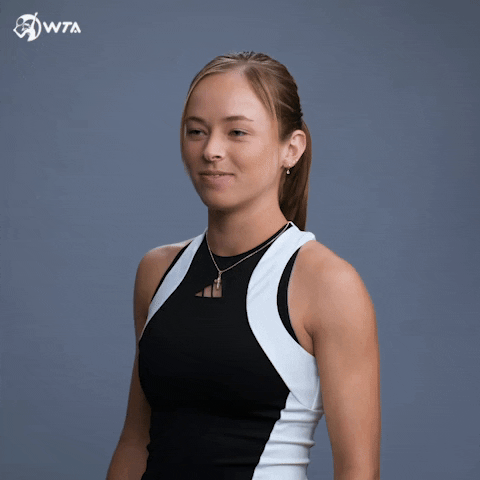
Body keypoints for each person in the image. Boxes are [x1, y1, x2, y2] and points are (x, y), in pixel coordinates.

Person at [106, 51, 381, 480]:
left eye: (237, 132)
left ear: (291, 148)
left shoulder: (327, 284)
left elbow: (358, 471)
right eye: (196, 131)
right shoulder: (157, 272)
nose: (211, 150)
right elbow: (134, 442)